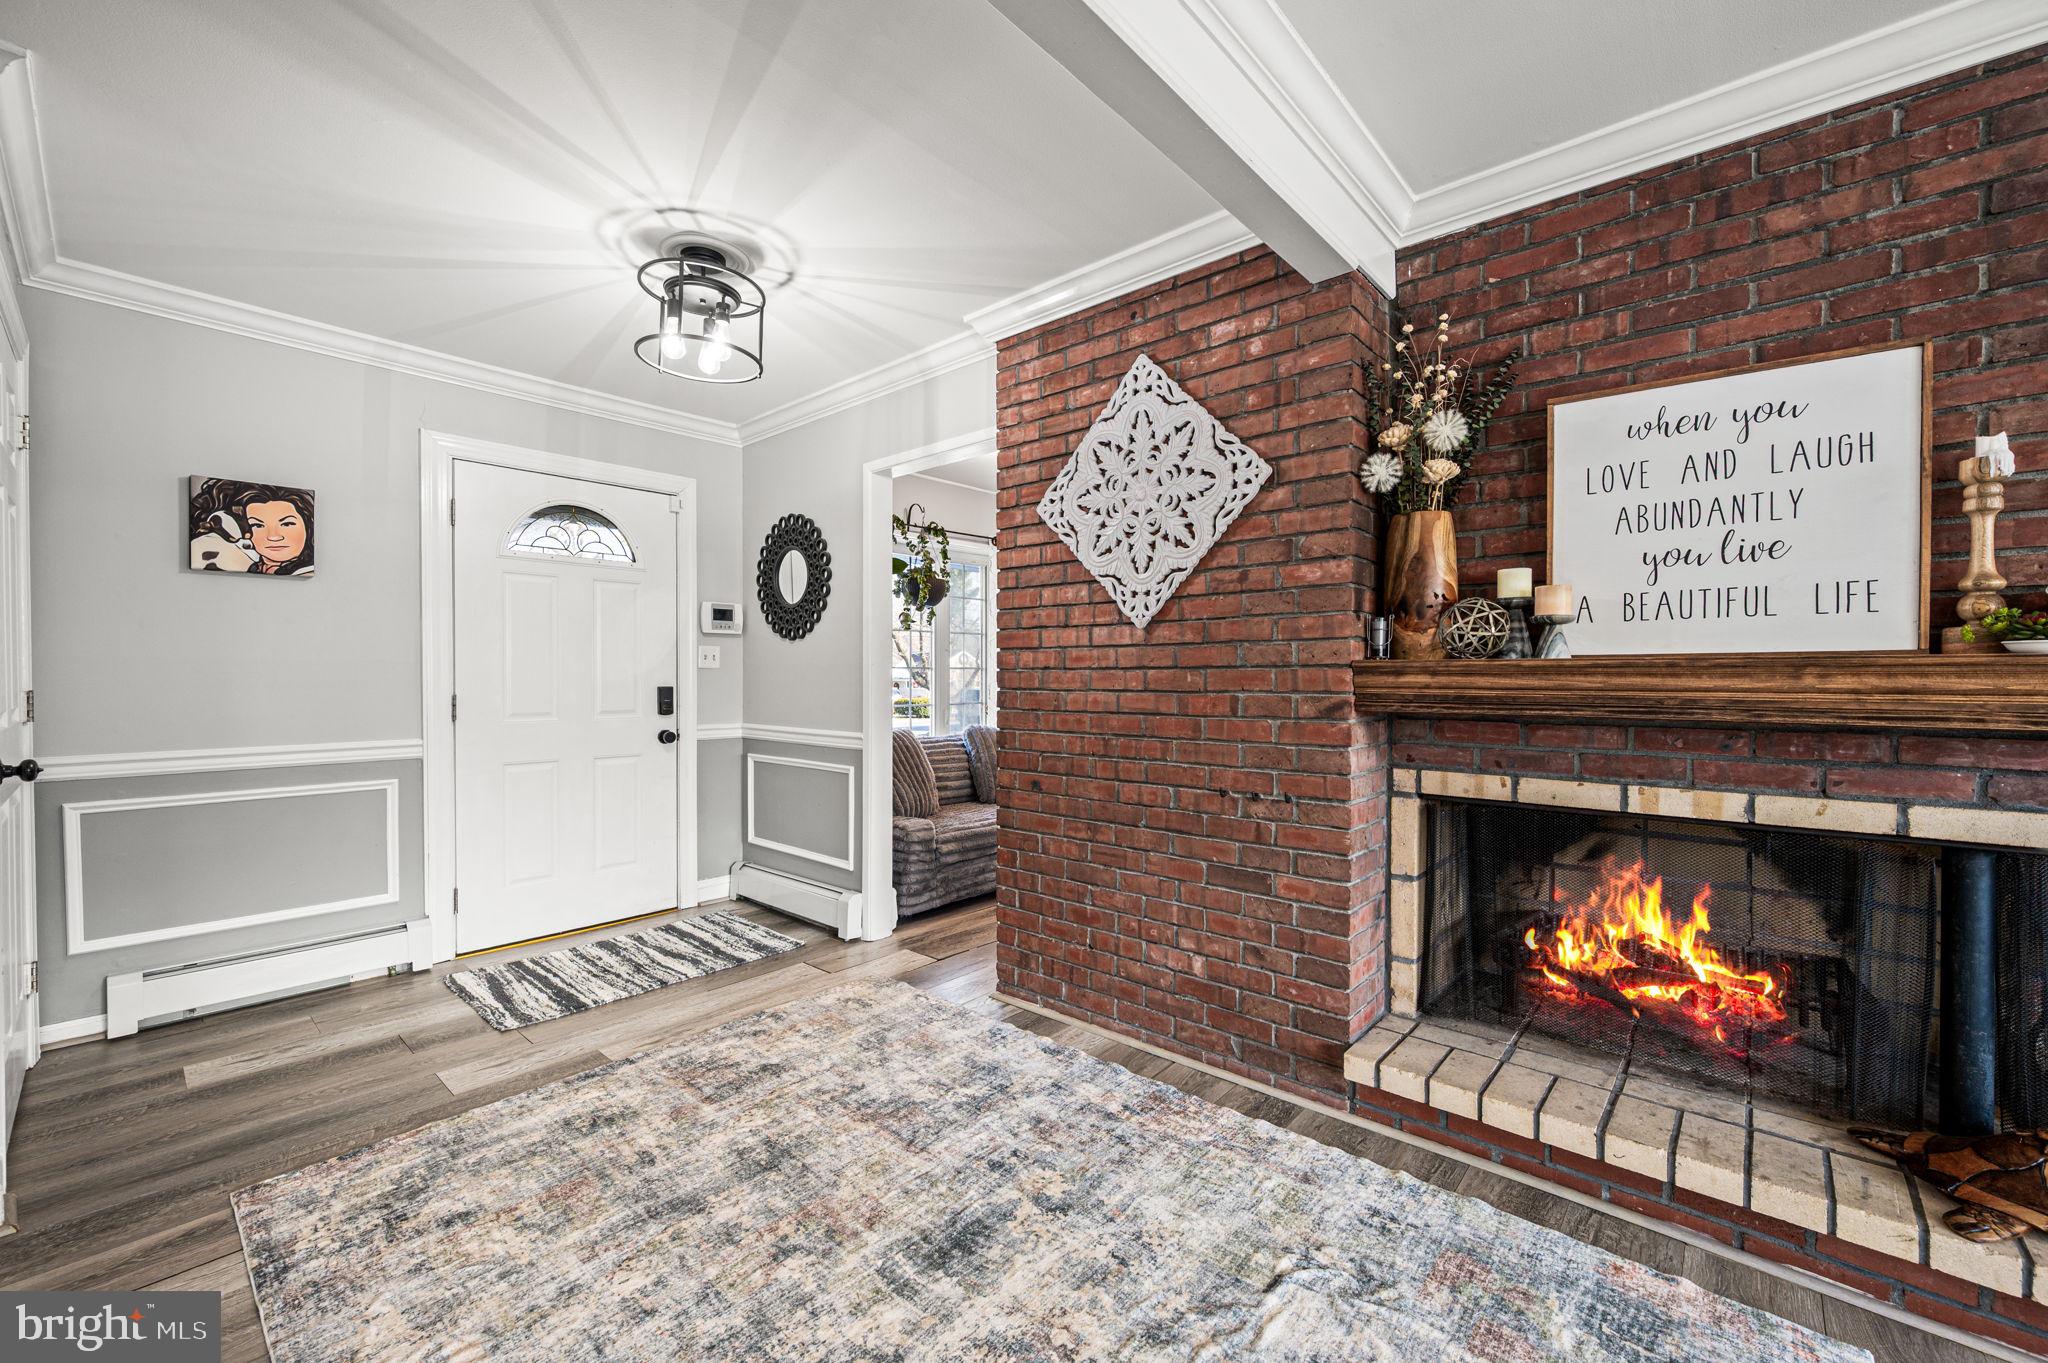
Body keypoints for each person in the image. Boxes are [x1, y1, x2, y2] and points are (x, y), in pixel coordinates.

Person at [188, 479, 315, 577]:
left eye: (287, 524)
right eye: (257, 525)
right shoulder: (236, 561)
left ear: (307, 526)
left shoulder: (305, 572)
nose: (273, 536)